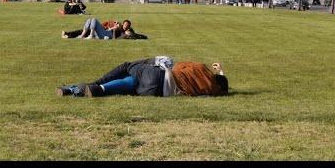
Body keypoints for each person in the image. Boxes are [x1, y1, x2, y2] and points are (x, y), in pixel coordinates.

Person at [57, 56, 228, 98]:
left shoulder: (201, 69)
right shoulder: (212, 90)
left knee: (127, 66)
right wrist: (221, 75)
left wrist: (219, 70)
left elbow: (178, 66)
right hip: (157, 92)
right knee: (130, 84)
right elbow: (223, 87)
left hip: (160, 76)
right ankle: (87, 89)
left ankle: (93, 84)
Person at [62, 18, 147, 40]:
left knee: (94, 20)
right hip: (105, 32)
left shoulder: (125, 32)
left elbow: (135, 35)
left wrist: (114, 29)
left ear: (128, 27)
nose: (125, 26)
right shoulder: (119, 26)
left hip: (107, 35)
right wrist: (113, 26)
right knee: (89, 20)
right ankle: (80, 36)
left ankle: (90, 35)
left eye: (127, 25)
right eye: (125, 24)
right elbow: (111, 27)